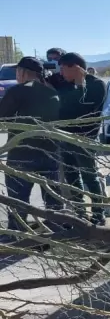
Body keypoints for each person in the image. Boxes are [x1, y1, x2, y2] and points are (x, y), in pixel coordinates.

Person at [0, 57, 64, 233]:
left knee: (18, 199)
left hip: (22, 153)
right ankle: (56, 232)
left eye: (17, 72)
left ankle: (17, 234)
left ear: (22, 72)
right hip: (51, 152)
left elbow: (2, 116)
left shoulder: (18, 91)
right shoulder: (52, 91)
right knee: (53, 198)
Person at [56, 52, 110, 224]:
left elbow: (82, 107)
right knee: (71, 178)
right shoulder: (64, 84)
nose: (61, 73)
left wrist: (78, 84)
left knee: (90, 177)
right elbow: (61, 108)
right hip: (64, 137)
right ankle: (79, 213)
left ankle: (98, 214)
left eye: (63, 69)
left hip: (85, 139)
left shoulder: (96, 84)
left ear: (75, 67)